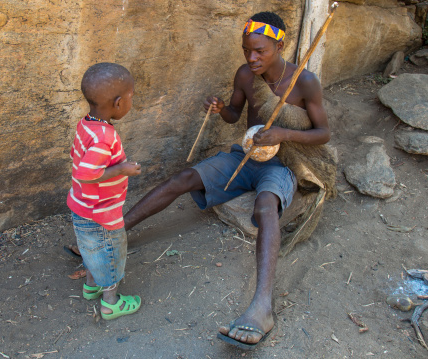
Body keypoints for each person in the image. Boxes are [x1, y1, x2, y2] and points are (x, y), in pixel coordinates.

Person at [122, 11, 331, 349]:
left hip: (284, 162)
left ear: (280, 45)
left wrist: (284, 132)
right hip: (246, 154)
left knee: (266, 208)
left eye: (260, 51)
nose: (252, 58)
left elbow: (324, 134)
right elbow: (235, 114)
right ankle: (117, 233)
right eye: (247, 50)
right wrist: (220, 108)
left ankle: (262, 308)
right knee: (186, 177)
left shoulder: (304, 82)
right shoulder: (246, 76)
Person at [67, 62, 142, 320]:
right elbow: (87, 173)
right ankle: (111, 303)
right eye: (131, 96)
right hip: (101, 212)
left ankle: (91, 286)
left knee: (92, 250)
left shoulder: (86, 125)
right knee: (110, 253)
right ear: (119, 103)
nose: (132, 101)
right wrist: (122, 169)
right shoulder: (105, 136)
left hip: (82, 206)